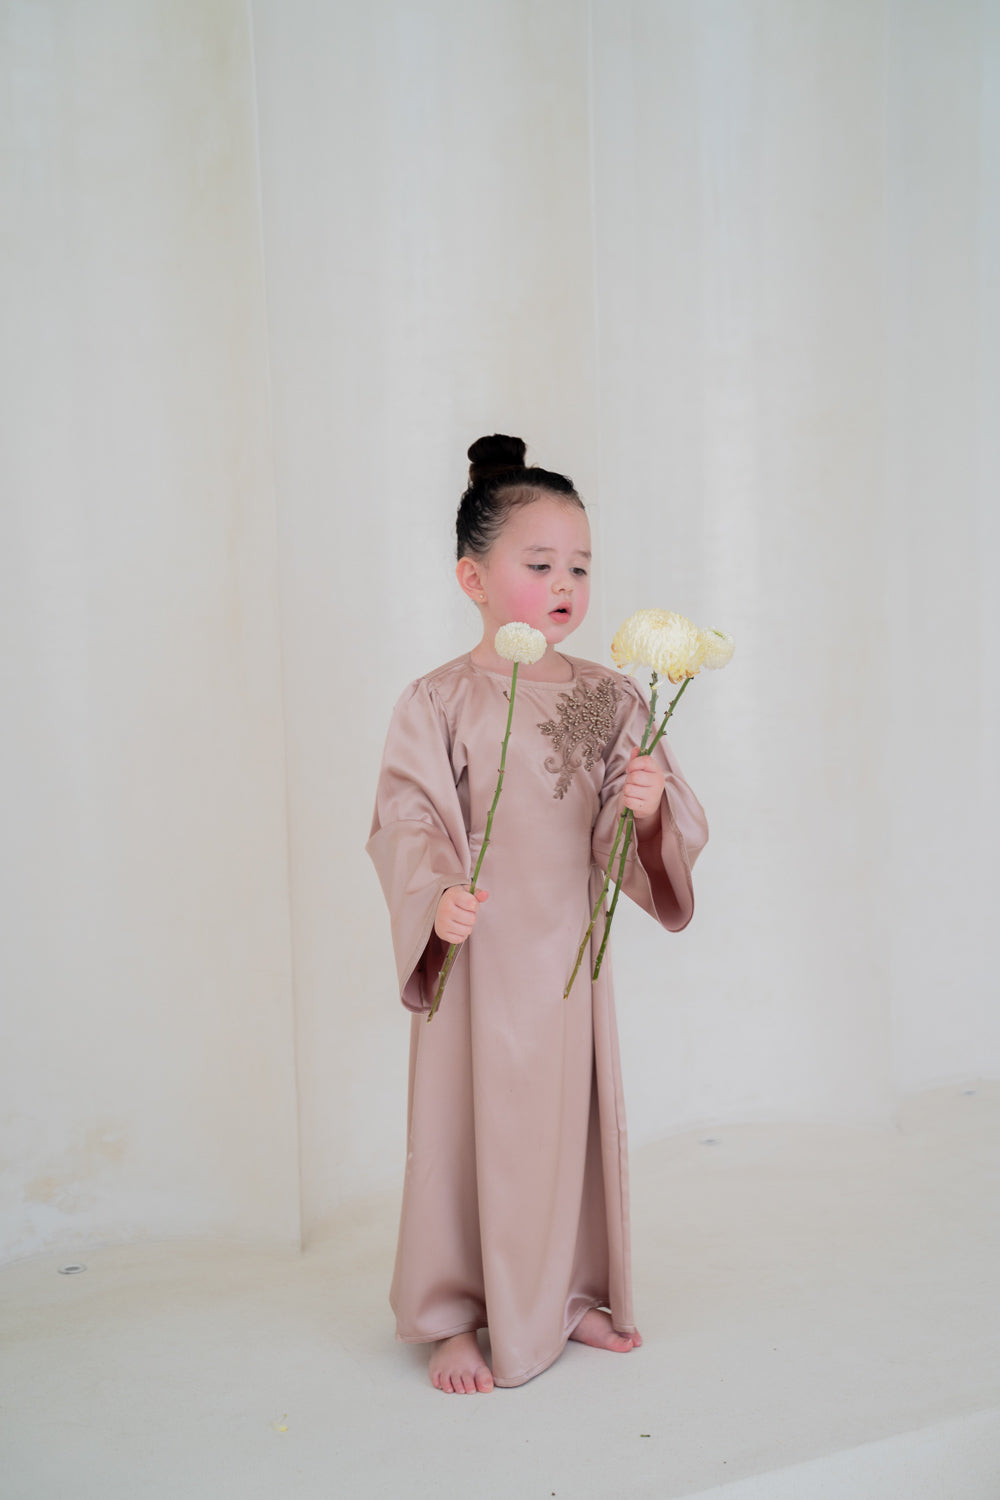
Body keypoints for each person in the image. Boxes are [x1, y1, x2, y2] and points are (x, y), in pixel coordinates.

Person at [366, 434, 708, 1393]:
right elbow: (406, 816)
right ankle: (454, 1314)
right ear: (473, 578)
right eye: (540, 564)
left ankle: (569, 1292)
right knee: (462, 1128)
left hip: (565, 953)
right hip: (476, 949)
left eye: (580, 568)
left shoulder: (611, 695)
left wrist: (646, 806)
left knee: (566, 1127)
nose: (565, 584)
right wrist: (440, 896)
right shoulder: (437, 699)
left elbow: (629, 830)